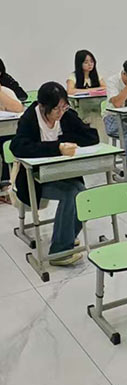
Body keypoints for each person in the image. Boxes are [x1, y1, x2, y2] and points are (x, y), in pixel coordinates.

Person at [11, 82, 99, 265]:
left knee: (81, 192)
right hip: (35, 179)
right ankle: (59, 252)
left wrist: (66, 141)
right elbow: (18, 147)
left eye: (63, 107)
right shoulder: (30, 118)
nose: (60, 112)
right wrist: (57, 147)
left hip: (62, 173)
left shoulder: (66, 115)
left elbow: (92, 136)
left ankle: (66, 237)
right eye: (56, 109)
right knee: (71, 193)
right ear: (43, 106)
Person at [66, 50, 107, 142]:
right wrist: (90, 90)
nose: (90, 64)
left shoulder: (97, 76)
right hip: (80, 113)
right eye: (86, 62)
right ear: (79, 63)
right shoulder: (73, 76)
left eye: (92, 61)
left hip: (95, 111)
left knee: (99, 126)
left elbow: (105, 88)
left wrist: (92, 91)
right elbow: (70, 91)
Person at [0, 72, 25, 200]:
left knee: (9, 142)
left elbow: (18, 108)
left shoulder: (5, 91)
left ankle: (7, 185)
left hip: (4, 132)